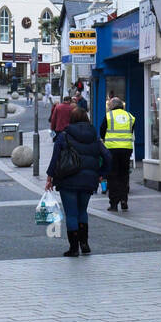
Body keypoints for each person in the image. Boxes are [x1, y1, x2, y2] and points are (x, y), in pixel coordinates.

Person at [44, 107, 110, 257]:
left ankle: (74, 248)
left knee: (72, 214)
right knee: (82, 212)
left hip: (68, 180)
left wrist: (50, 178)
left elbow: (55, 158)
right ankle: (84, 244)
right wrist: (101, 174)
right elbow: (107, 156)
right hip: (88, 181)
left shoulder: (64, 136)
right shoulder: (94, 137)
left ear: (71, 119)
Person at [99, 97, 136, 212]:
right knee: (124, 175)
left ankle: (114, 203)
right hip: (126, 149)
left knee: (113, 176)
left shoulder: (109, 116)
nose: (108, 106)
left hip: (112, 149)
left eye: (109, 105)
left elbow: (102, 130)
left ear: (112, 106)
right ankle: (124, 200)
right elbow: (131, 131)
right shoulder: (130, 116)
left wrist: (106, 141)